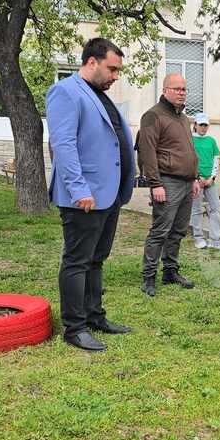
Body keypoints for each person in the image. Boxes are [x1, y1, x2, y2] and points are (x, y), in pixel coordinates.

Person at [46, 37, 134, 352]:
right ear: (92, 62)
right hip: (85, 196)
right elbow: (64, 144)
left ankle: (95, 316)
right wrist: (79, 188)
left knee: (97, 259)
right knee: (77, 260)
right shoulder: (66, 92)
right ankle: (75, 327)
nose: (115, 76)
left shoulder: (101, 95)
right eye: (112, 68)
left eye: (118, 70)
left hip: (109, 195)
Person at [138, 73, 201, 297]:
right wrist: (155, 184)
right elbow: (148, 153)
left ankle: (170, 271)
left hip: (186, 183)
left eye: (184, 89)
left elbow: (186, 150)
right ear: (165, 91)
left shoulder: (182, 118)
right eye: (177, 89)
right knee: (160, 230)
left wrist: (194, 178)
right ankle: (149, 277)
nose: (182, 93)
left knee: (178, 231)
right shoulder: (153, 116)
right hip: (167, 182)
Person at [190, 113, 220, 250]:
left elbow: (216, 160)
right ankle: (199, 238)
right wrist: (198, 177)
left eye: (205, 125)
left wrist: (212, 177)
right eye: (201, 125)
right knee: (196, 209)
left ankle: (215, 239)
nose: (203, 127)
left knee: (216, 207)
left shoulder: (212, 141)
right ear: (195, 125)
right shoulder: (190, 139)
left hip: (209, 181)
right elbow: (188, 160)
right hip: (196, 181)